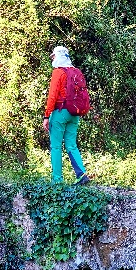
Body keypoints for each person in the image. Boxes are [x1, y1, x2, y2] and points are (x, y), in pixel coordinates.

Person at [43, 46, 90, 185]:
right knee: (71, 145)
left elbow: (52, 96)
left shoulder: (58, 72)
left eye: (53, 56)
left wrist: (46, 116)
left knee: (56, 146)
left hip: (60, 112)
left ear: (57, 56)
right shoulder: (76, 71)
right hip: (74, 113)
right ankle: (81, 175)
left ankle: (57, 181)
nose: (53, 59)